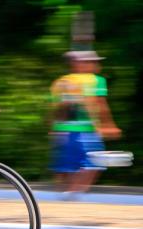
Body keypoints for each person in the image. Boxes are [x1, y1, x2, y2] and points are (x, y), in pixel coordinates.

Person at [50, 50, 121, 196]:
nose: (96, 64)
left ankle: (66, 197)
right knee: (95, 163)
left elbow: (55, 109)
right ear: (79, 64)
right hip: (85, 131)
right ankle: (74, 195)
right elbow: (100, 104)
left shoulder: (60, 81)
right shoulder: (95, 80)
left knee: (65, 168)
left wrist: (53, 129)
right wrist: (108, 125)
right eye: (92, 61)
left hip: (61, 131)